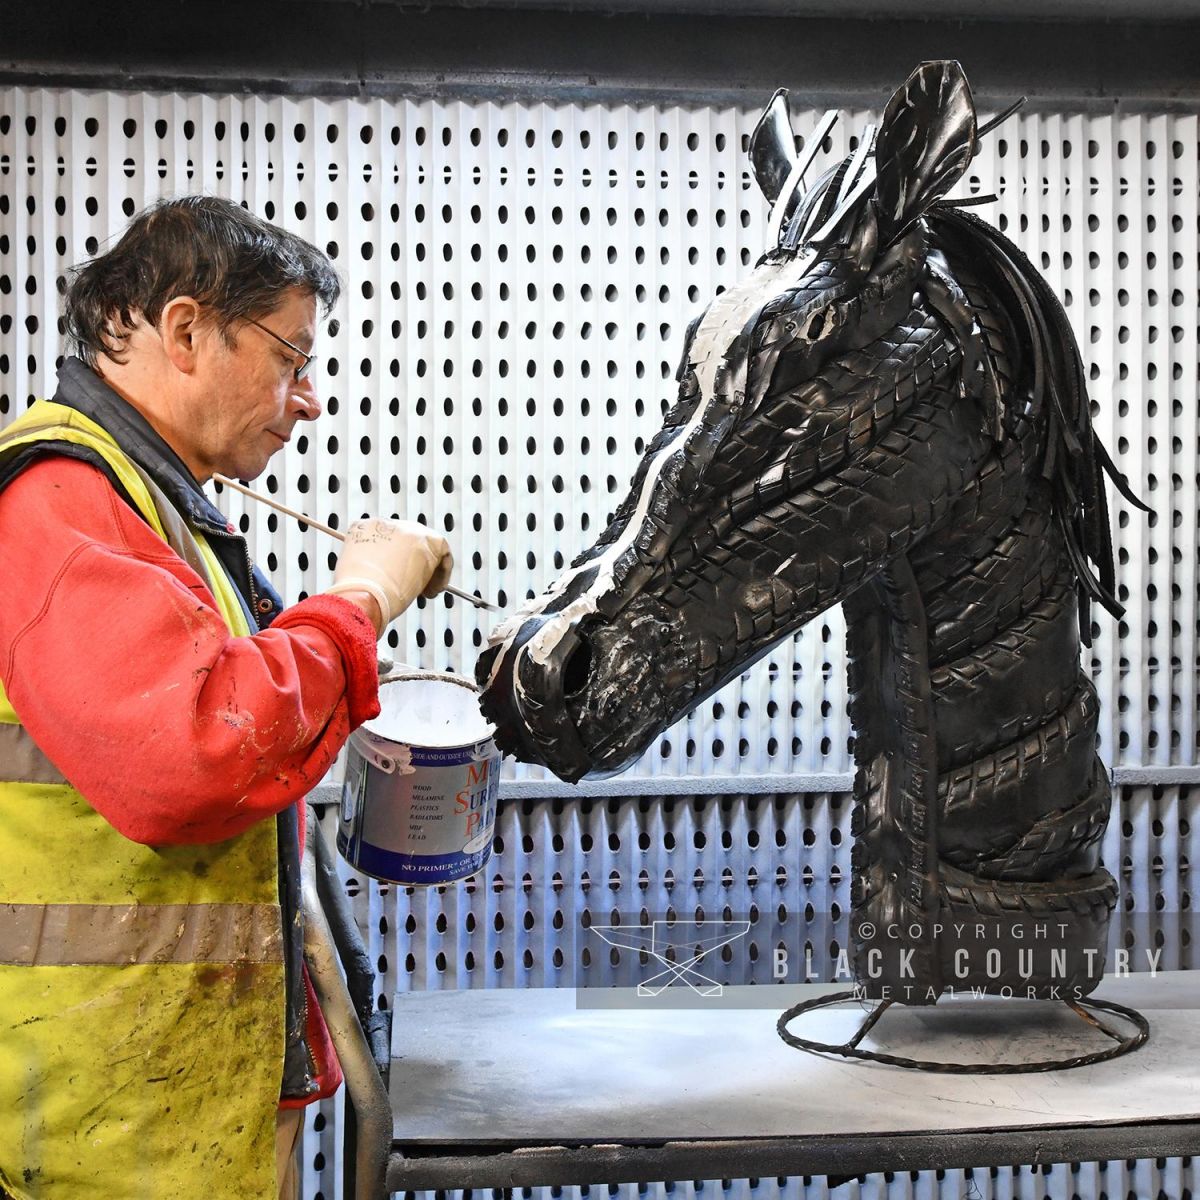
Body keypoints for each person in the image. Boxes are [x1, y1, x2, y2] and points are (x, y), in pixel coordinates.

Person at [0, 196, 452, 1199]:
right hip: (102, 1131)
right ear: (187, 330)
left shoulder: (156, 508)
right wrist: (360, 598)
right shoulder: (58, 502)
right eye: (291, 359)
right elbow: (195, 752)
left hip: (179, 1106)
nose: (308, 398)